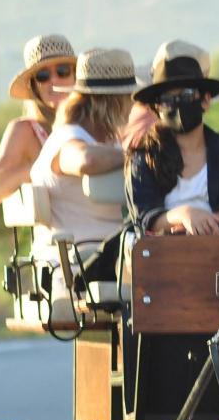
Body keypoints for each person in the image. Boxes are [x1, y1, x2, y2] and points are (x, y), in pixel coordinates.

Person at [28, 47, 137, 318]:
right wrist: (136, 157)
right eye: (129, 99)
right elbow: (83, 160)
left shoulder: (100, 140)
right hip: (82, 263)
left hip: (102, 256)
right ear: (112, 103)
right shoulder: (69, 138)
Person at [126, 47, 219, 235]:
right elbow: (145, 215)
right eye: (167, 100)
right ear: (156, 108)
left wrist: (203, 224)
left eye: (186, 95)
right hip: (160, 254)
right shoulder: (143, 157)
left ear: (205, 100)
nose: (177, 104)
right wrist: (184, 215)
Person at [0, 34, 76, 205]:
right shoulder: (26, 130)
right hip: (60, 231)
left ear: (75, 76)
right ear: (34, 85)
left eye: (62, 71)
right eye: (43, 75)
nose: (54, 80)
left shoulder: (97, 123)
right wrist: (48, 164)